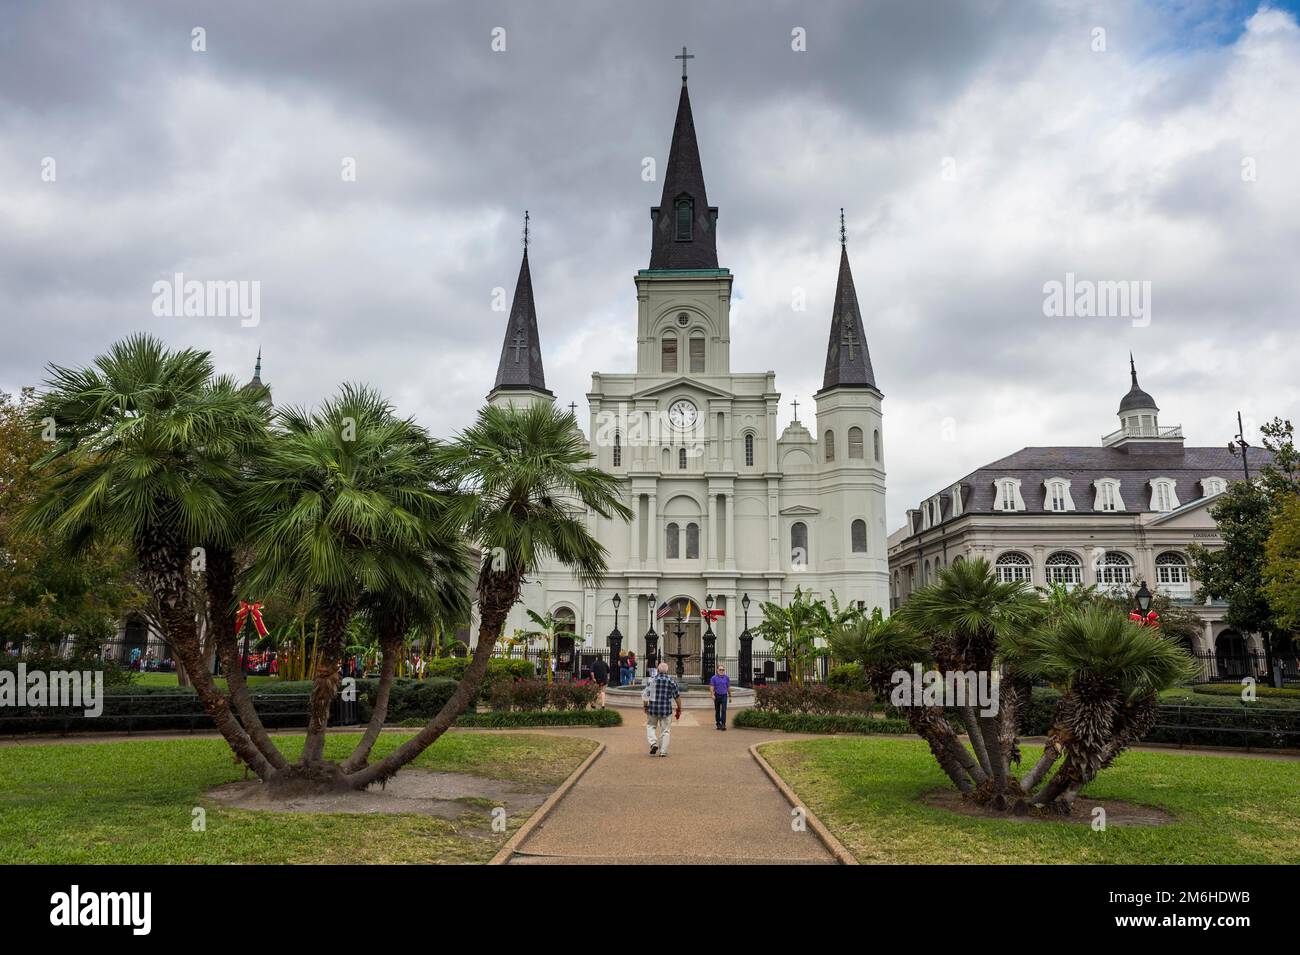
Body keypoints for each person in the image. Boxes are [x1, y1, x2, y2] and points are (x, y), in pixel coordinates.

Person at [642, 662, 681, 757]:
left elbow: (646, 695)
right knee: (666, 730)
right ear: (667, 671)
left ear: (658, 670)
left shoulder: (652, 680)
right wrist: (679, 707)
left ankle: (653, 743)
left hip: (653, 708)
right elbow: (677, 696)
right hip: (666, 709)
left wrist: (645, 706)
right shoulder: (671, 681)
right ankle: (663, 751)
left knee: (651, 726)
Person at [709, 664, 731, 730]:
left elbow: (728, 687)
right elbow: (711, 687)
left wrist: (730, 696)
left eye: (723, 670)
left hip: (724, 695)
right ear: (717, 670)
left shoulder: (726, 678)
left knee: (724, 710)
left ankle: (723, 724)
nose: (721, 671)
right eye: (720, 669)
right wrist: (712, 695)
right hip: (717, 695)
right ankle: (718, 723)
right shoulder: (713, 678)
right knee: (717, 710)